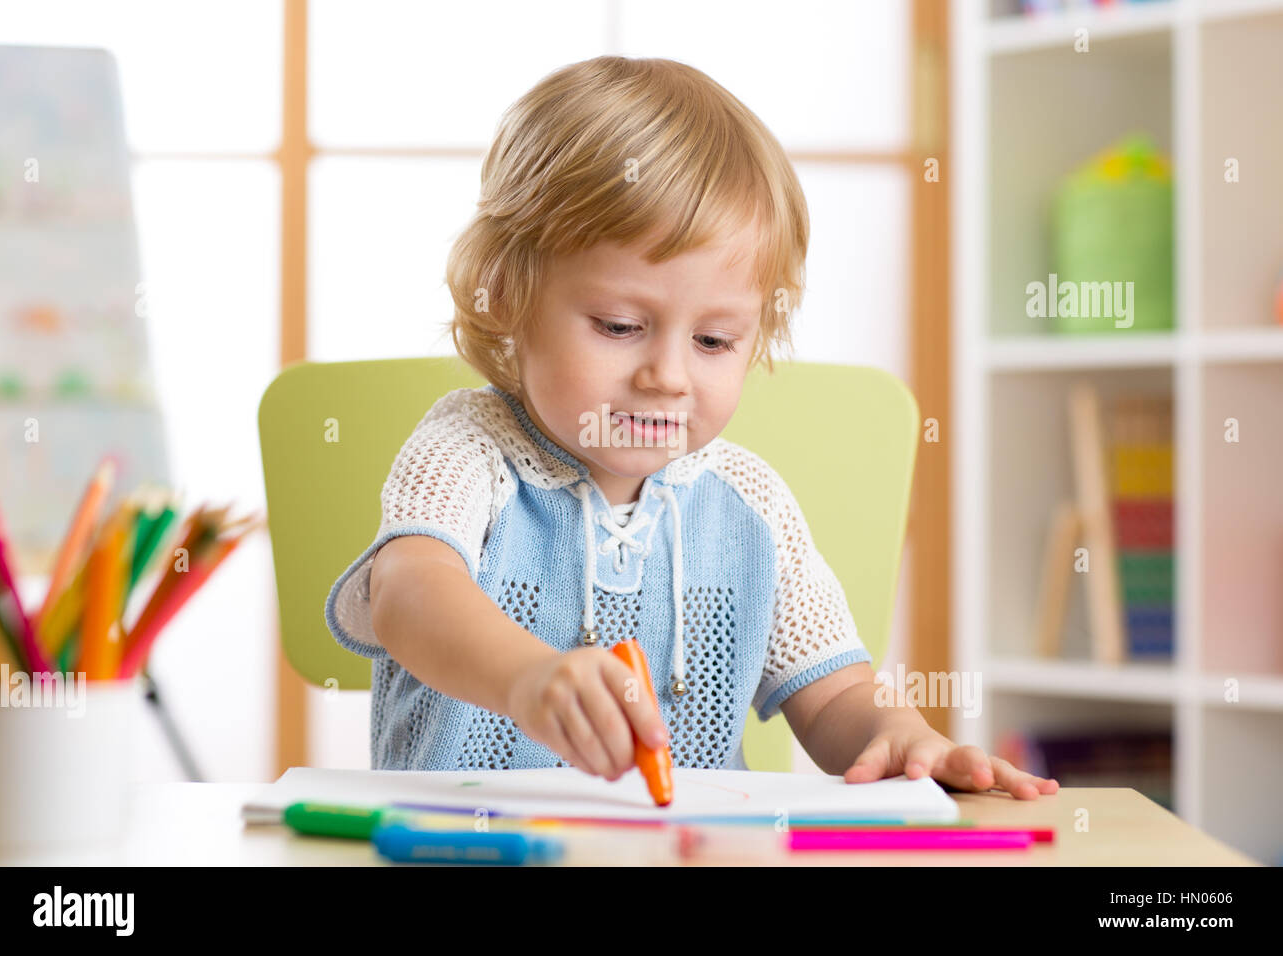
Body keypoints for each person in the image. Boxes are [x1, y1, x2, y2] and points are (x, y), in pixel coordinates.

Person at [326, 55, 1057, 800]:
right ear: (509, 295)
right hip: (460, 847)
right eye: (619, 325)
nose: (668, 376)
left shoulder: (751, 502)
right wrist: (527, 678)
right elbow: (411, 596)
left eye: (714, 341)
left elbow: (837, 698)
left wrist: (898, 739)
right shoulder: (466, 450)